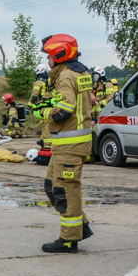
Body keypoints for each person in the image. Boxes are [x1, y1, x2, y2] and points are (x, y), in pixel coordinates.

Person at [40, 33, 96, 254]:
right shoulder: (79, 72)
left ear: (60, 55)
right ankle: (81, 226)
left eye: (50, 56)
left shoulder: (65, 77)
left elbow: (64, 111)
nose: (48, 60)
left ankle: (69, 239)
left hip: (70, 145)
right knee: (51, 187)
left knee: (65, 191)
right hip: (66, 145)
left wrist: (44, 112)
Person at [29, 65, 52, 148]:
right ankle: (42, 141)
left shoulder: (38, 83)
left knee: (44, 125)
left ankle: (47, 146)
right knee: (46, 125)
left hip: (41, 106)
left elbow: (34, 96)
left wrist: (29, 108)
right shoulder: (49, 82)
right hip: (49, 105)